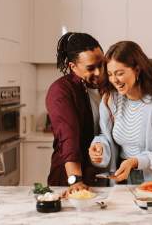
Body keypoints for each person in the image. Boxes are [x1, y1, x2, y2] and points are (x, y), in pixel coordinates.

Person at [89, 41, 152, 184]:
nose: (114, 80)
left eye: (119, 73)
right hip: (123, 179)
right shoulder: (111, 99)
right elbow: (105, 136)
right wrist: (99, 147)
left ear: (137, 70)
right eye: (110, 74)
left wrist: (135, 161)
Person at [46, 32, 106, 193]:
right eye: (91, 68)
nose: (99, 73)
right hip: (71, 181)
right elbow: (68, 136)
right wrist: (75, 180)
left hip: (103, 177)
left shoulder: (106, 86)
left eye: (101, 64)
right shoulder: (61, 91)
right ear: (73, 67)